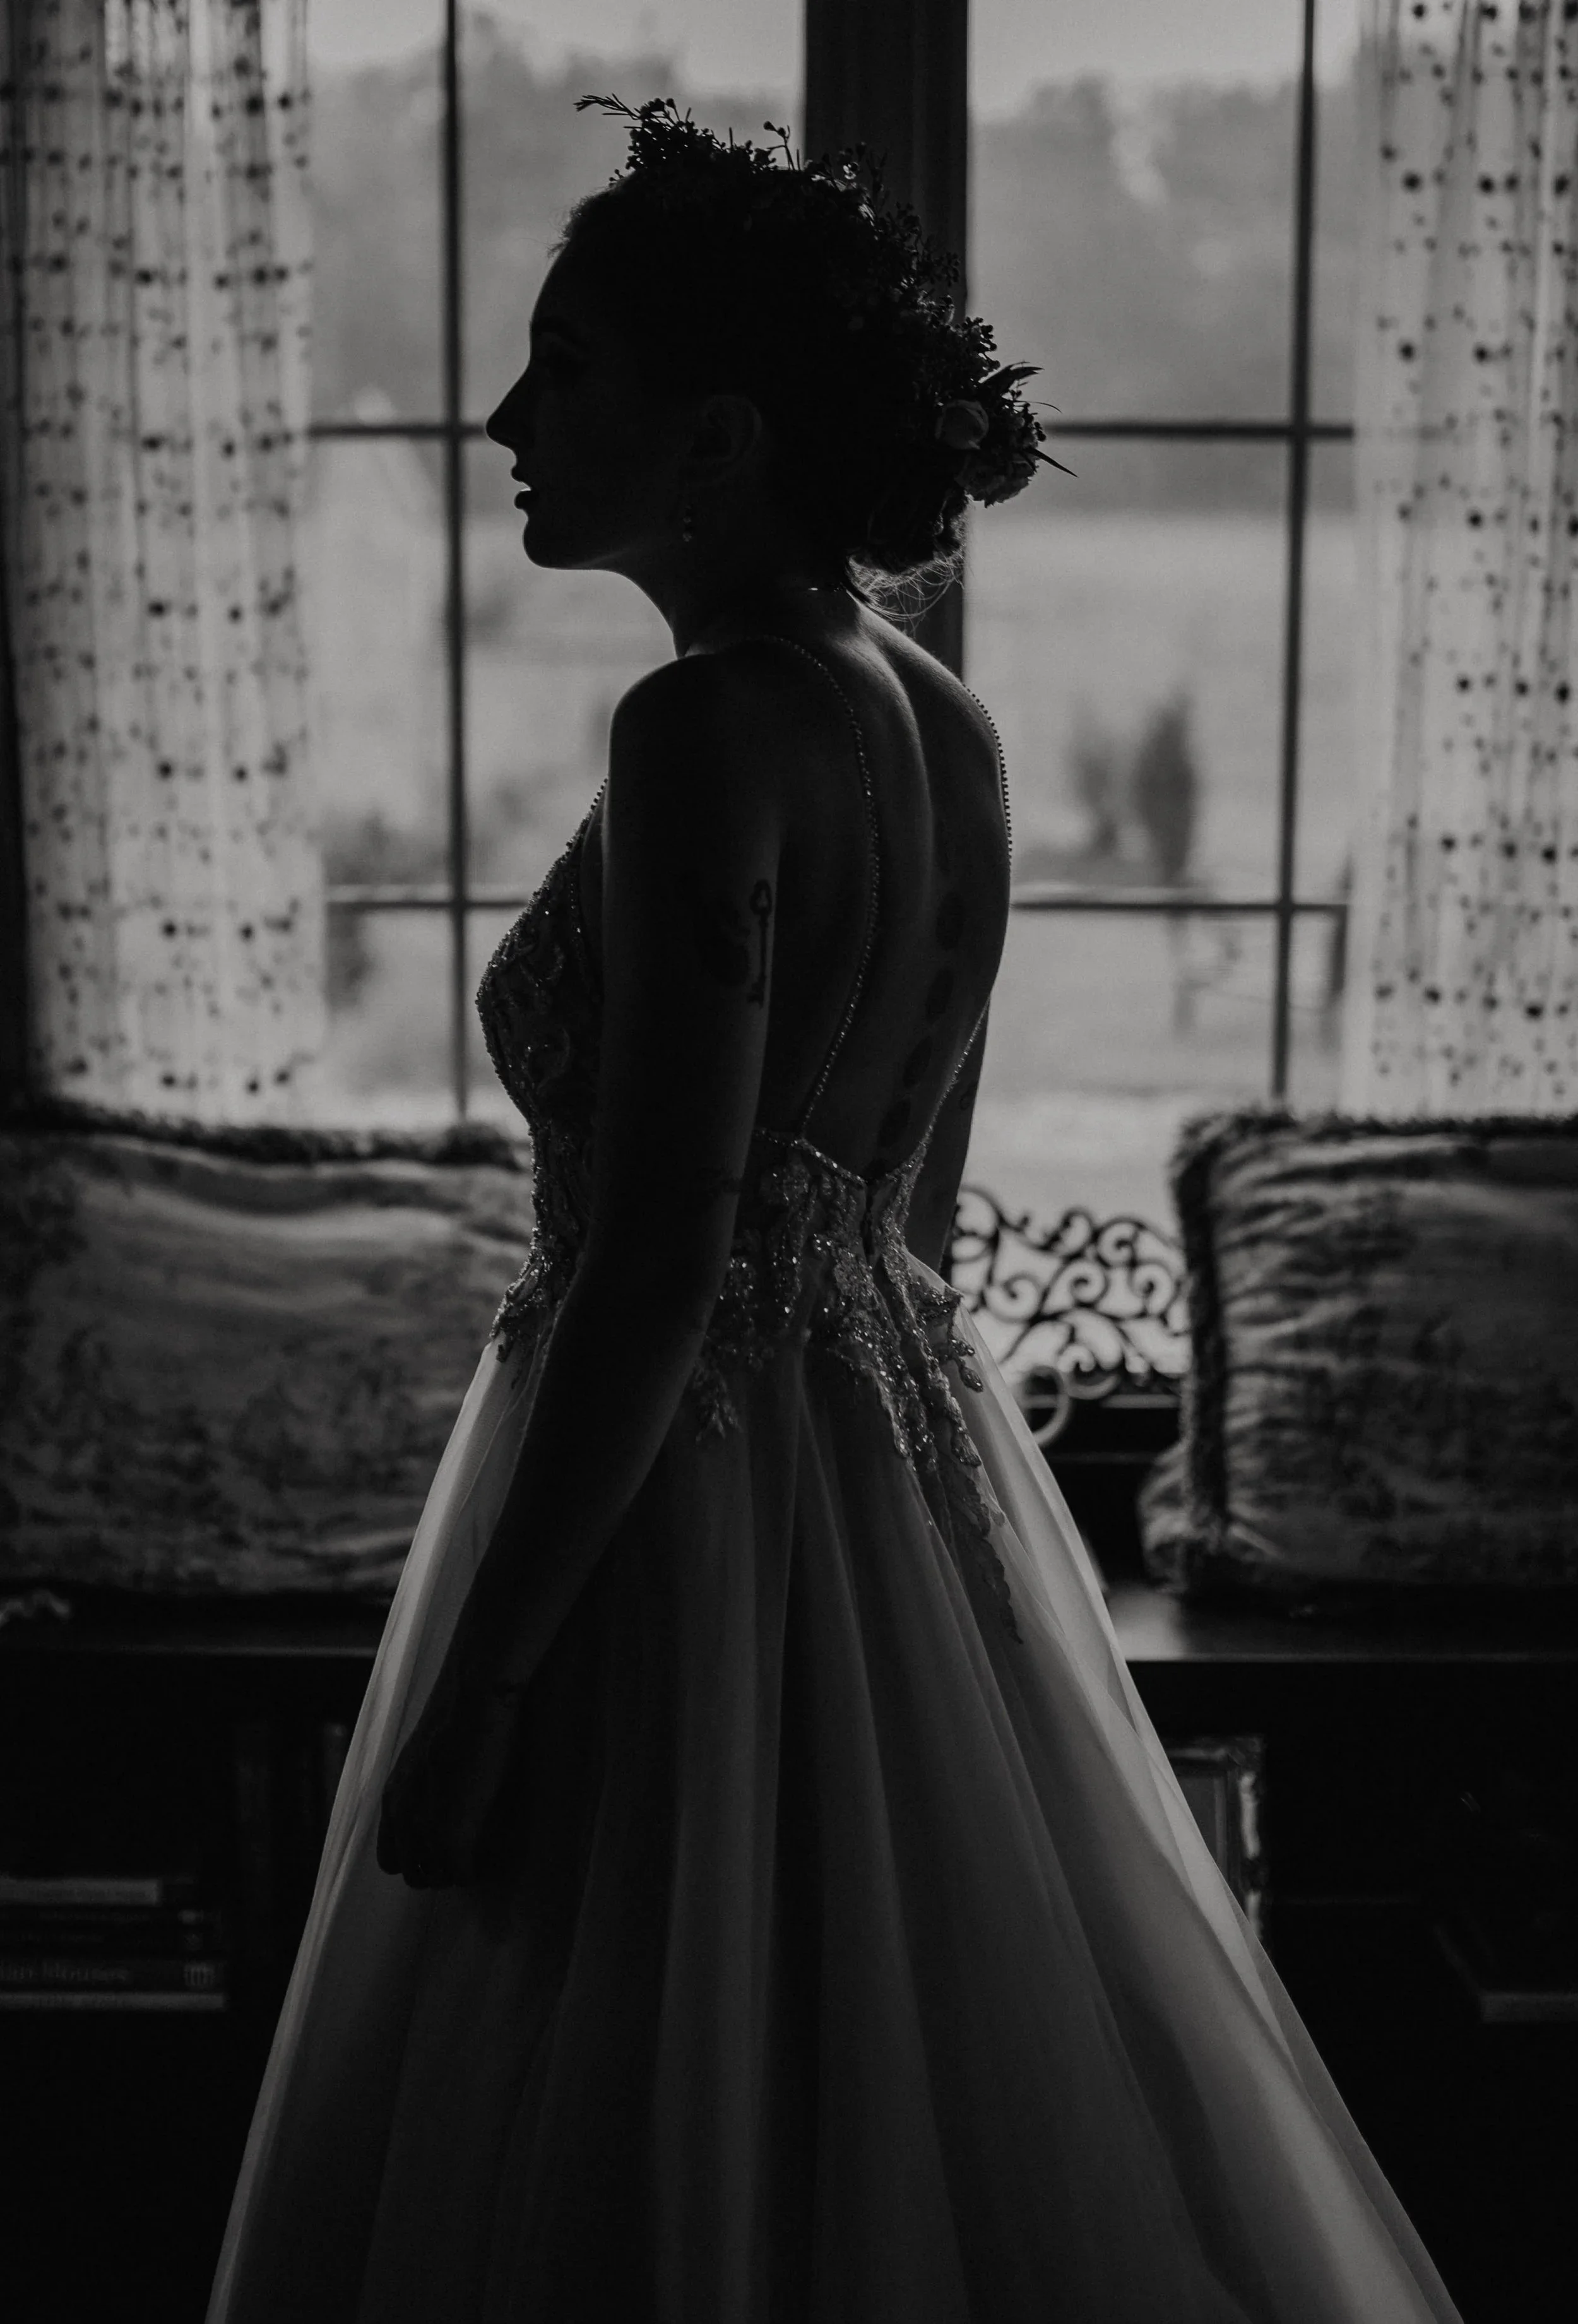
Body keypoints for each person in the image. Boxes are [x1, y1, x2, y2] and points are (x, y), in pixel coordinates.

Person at [209, 100, 1462, 2324]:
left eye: (564, 366)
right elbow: (909, 1210)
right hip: (887, 1461)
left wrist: (487, 1679)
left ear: (714, 438)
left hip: (670, 1491)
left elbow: (672, 1250)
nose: (507, 419)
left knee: (627, 2059)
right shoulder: (948, 725)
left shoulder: (699, 727)